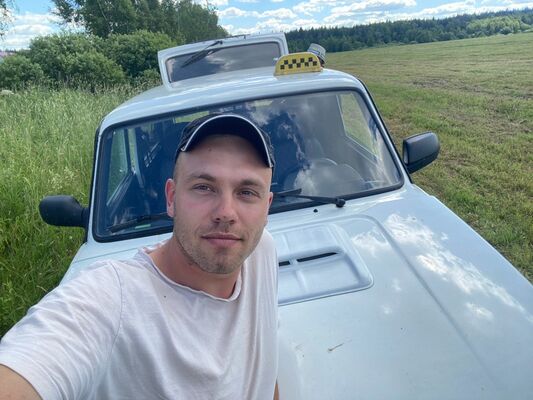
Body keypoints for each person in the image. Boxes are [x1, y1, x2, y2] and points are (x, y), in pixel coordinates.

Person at [0, 113, 280, 400]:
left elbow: (264, 368)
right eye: (204, 187)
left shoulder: (260, 252)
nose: (226, 213)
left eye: (247, 192)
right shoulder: (114, 299)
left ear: (266, 208)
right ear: (171, 198)